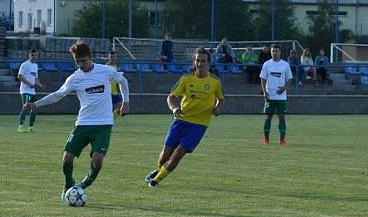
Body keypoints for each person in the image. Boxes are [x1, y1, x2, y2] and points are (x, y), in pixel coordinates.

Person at [23, 41, 129, 203]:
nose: (80, 65)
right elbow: (58, 95)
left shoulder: (106, 71)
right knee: (67, 157)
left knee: (98, 159)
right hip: (83, 123)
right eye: (77, 61)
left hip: (103, 124)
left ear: (90, 58)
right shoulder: (75, 78)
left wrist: (126, 102)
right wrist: (36, 104)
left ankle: (84, 184)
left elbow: (123, 81)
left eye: (83, 61)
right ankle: (68, 185)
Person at [145, 49, 225, 188]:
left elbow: (222, 99)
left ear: (209, 63)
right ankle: (159, 170)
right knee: (165, 155)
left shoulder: (215, 82)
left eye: (203, 61)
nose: (200, 64)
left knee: (178, 154)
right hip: (181, 121)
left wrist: (218, 109)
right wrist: (174, 108)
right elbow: (171, 97)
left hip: (199, 125)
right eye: (197, 60)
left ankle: (155, 181)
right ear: (194, 61)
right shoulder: (186, 79)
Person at [260, 44, 293, 146]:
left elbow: (289, 79)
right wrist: (265, 92)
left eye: (276, 51)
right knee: (268, 117)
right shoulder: (266, 64)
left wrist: (283, 88)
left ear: (280, 52)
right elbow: (263, 79)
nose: (274, 53)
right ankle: (266, 139)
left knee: (281, 117)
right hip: (270, 95)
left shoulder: (285, 64)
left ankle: (282, 140)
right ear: (271, 52)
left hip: (281, 96)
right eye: (273, 51)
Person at [17, 48, 42, 132]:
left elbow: (36, 78)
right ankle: (20, 127)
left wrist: (40, 84)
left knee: (34, 108)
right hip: (25, 90)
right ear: (29, 55)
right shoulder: (25, 64)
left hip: (32, 91)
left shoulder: (36, 65)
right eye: (32, 55)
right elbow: (19, 76)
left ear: (37, 55)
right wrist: (29, 84)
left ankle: (30, 127)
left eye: (35, 55)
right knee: (26, 107)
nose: (34, 56)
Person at [106, 50, 123, 117]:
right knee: (107, 109)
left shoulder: (115, 66)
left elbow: (116, 80)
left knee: (120, 106)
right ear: (108, 57)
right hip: (108, 92)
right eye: (111, 57)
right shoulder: (106, 67)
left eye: (114, 57)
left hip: (114, 91)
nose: (112, 58)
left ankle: (112, 119)